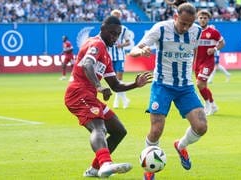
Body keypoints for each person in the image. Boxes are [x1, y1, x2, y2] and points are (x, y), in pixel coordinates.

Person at [64, 16, 152, 178]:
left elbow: (115, 85)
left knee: (119, 131)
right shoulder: (96, 44)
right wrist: (98, 86)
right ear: (102, 29)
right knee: (99, 128)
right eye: (111, 33)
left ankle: (94, 169)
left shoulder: (106, 55)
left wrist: (135, 84)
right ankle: (106, 164)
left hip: (88, 95)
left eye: (117, 34)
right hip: (78, 93)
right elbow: (87, 64)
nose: (114, 37)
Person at [129, 2, 208, 180]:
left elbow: (192, 52)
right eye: (182, 23)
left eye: (189, 24)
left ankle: (181, 145)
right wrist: (141, 51)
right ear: (175, 17)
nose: (186, 28)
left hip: (185, 87)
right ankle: (149, 168)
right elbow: (134, 50)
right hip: (162, 85)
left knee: (201, 126)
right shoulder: (160, 29)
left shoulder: (196, 31)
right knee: (156, 129)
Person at [194, 10, 225, 116]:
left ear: (208, 19)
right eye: (201, 18)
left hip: (208, 62)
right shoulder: (193, 31)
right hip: (196, 62)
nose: (202, 20)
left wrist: (215, 49)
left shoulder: (213, 32)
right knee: (203, 86)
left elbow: (222, 42)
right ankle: (213, 105)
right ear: (197, 19)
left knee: (199, 84)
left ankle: (207, 105)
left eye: (205, 18)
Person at [108, 9, 131, 109]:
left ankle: (117, 101)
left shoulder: (124, 29)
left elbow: (128, 42)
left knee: (119, 79)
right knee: (113, 80)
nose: (116, 18)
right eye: (114, 16)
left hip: (120, 56)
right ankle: (125, 99)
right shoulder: (106, 28)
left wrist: (121, 45)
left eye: (117, 16)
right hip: (109, 56)